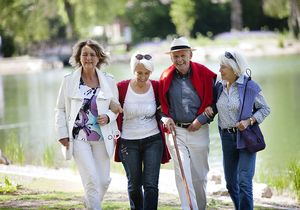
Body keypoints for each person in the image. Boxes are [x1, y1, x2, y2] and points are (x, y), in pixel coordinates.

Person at [55, 39, 120, 210]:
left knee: (104, 181)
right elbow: (60, 108)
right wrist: (62, 133)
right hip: (78, 138)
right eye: (85, 54)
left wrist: (107, 117)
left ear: (99, 57)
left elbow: (116, 109)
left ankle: (89, 203)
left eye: (92, 54)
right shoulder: (69, 80)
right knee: (91, 180)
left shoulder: (109, 80)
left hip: (102, 137)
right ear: (79, 57)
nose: (88, 58)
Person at [205, 50, 271, 210]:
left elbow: (265, 109)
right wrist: (209, 108)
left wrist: (249, 121)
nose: (219, 70)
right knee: (230, 184)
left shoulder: (249, 86)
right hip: (226, 138)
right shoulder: (219, 86)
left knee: (244, 181)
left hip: (245, 138)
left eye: (223, 67)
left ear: (234, 68)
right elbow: (215, 104)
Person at [159, 37, 217, 210]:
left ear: (190, 55)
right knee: (183, 174)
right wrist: (165, 118)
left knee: (199, 177)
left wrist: (202, 119)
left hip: (199, 131)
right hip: (176, 132)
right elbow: (161, 106)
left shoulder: (205, 74)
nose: (179, 59)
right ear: (171, 58)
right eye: (175, 56)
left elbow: (216, 102)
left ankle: (200, 207)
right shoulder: (165, 77)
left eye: (183, 55)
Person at [114, 52, 171, 210]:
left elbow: (163, 109)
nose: (143, 77)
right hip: (128, 141)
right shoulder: (122, 87)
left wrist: (166, 118)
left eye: (147, 73)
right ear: (133, 70)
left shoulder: (156, 87)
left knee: (151, 185)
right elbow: (109, 105)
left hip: (153, 140)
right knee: (134, 185)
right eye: (139, 73)